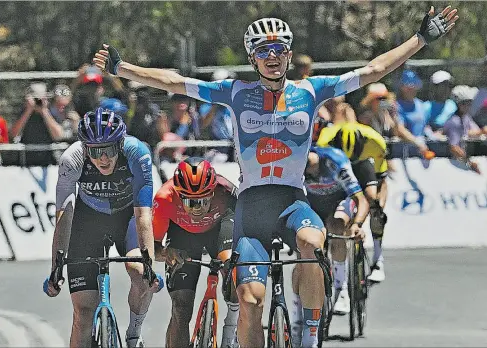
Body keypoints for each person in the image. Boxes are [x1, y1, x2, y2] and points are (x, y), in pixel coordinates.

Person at [93, 8, 458, 347]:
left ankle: (310, 334)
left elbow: (373, 70)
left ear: (288, 54)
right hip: (251, 207)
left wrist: (420, 39)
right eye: (264, 50)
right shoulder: (235, 93)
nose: (272, 56)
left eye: (279, 49)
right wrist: (123, 68)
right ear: (253, 57)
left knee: (313, 245)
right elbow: (175, 82)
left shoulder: (311, 91)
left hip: (292, 200)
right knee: (251, 300)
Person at [44, 107, 162, 348]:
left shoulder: (136, 152)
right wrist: (57, 266)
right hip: (88, 222)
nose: (103, 158)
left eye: (109, 150)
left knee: (139, 272)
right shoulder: (72, 158)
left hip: (127, 217)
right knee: (83, 312)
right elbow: (64, 217)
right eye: (96, 151)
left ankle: (134, 333)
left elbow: (143, 216)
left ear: (119, 145)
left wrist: (149, 264)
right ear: (86, 149)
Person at [153, 157, 239, 348]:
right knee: (181, 308)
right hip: (183, 236)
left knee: (232, 268)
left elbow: (247, 228)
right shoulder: (164, 198)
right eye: (190, 202)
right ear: (178, 195)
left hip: (219, 226)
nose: (197, 208)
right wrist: (167, 253)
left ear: (213, 191)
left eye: (203, 200)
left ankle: (230, 331)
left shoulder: (227, 191)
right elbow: (153, 247)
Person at [291, 145, 369, 343]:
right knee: (304, 248)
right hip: (314, 205)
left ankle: (341, 288)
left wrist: (357, 224)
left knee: (336, 226)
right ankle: (297, 310)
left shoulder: (334, 162)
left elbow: (360, 199)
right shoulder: (295, 168)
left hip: (340, 202)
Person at [316, 122, 390, 283]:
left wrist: (377, 210)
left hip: (362, 164)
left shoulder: (376, 142)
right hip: (338, 167)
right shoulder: (324, 142)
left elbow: (382, 181)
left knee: (373, 201)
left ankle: (378, 258)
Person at [443, 85, 487, 174]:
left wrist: (483, 130)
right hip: (453, 166)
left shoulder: (466, 117)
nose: (470, 105)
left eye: (470, 102)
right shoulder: (454, 122)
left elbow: (472, 132)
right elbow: (454, 147)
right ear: (460, 104)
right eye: (467, 103)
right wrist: (470, 163)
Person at [424, 70, 457, 135]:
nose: (446, 88)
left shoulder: (453, 105)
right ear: (434, 87)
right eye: (443, 85)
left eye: (448, 85)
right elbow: (422, 126)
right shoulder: (425, 107)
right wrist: (432, 135)